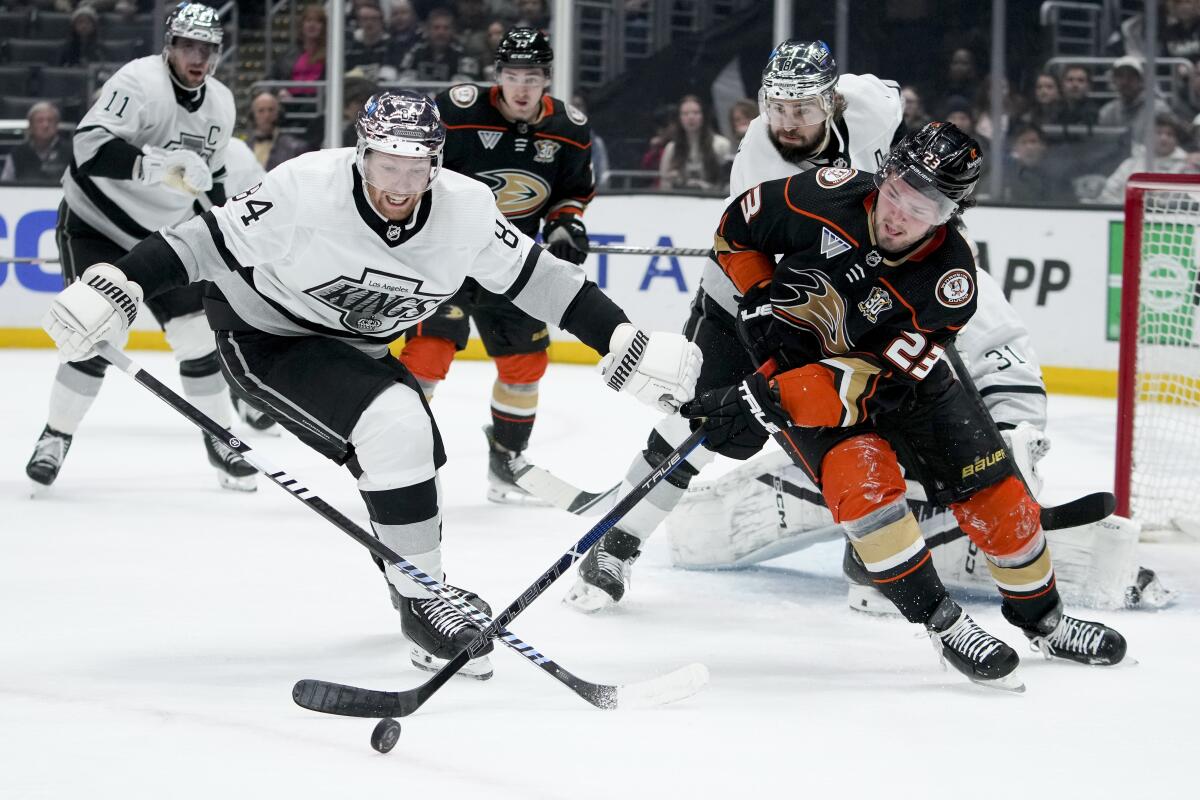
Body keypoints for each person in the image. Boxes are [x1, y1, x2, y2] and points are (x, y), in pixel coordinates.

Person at [38, 89, 701, 680]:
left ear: (437, 164)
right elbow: (200, 242)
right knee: (397, 424)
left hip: (353, 346)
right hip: (268, 335)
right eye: (389, 164)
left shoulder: (466, 210)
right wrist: (119, 285)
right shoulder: (306, 188)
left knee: (410, 444)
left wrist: (620, 337)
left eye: (418, 167)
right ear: (362, 156)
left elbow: (541, 280)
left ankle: (423, 598)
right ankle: (423, 601)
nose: (401, 183)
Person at [679, 123, 1126, 688]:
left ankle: (1046, 620)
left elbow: (865, 383)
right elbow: (735, 229)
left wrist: (770, 398)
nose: (896, 215)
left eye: (921, 207)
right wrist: (759, 295)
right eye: (895, 191)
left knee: (999, 497)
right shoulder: (822, 193)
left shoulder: (951, 281)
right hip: (796, 371)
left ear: (950, 214)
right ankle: (945, 625)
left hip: (895, 385)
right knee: (865, 495)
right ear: (884, 173)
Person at [562, 40, 903, 612]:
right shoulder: (759, 165)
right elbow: (756, 266)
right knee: (696, 423)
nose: (788, 123)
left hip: (832, 302)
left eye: (803, 109)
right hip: (742, 297)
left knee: (861, 421)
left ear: (832, 102)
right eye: (777, 108)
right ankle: (614, 543)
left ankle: (871, 550)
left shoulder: (868, 103)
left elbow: (892, 102)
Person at [24, 2, 255, 492]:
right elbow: (87, 150)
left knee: (197, 336)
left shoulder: (221, 103)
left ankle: (219, 437)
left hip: (164, 238)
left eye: (207, 49)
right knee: (94, 331)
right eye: (188, 46)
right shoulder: (138, 82)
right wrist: (157, 165)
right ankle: (55, 435)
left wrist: (229, 236)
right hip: (96, 224)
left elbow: (210, 182)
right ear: (169, 46)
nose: (197, 57)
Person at [398, 29, 595, 504]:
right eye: (512, 76)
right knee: (427, 358)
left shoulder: (569, 127)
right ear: (497, 76)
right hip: (447, 256)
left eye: (532, 77)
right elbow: (414, 165)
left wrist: (566, 224)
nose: (521, 88)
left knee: (525, 364)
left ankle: (507, 460)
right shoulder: (457, 110)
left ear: (547, 78)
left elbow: (571, 190)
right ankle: (400, 456)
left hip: (513, 260)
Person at [1098, 112, 1197, 202]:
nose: (1163, 138)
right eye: (1158, 133)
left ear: (1177, 140)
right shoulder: (1131, 164)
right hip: (1126, 218)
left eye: (1169, 134)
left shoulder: (1186, 167)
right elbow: (1108, 193)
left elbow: (1191, 200)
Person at [658, 94, 732, 192]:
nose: (691, 117)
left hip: (713, 202)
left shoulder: (722, 145)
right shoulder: (671, 148)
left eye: (696, 113)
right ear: (679, 118)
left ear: (703, 116)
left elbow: (728, 184)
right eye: (685, 113)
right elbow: (664, 186)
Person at [397, 7, 480, 84]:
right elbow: (403, 81)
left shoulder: (465, 55)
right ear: (428, 30)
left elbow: (466, 86)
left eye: (446, 28)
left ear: (453, 31)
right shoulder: (415, 51)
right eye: (436, 28)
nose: (441, 32)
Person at [0, 102, 72, 185]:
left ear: (57, 125)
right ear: (31, 126)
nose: (46, 125)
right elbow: (5, 186)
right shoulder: (17, 153)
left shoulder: (72, 152)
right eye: (40, 121)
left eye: (50, 120)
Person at [1098, 56, 1170, 131]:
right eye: (1120, 76)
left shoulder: (1158, 109)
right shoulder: (1107, 113)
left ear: (1141, 81)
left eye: (1131, 76)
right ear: (1114, 81)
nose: (1125, 81)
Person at [246, 90, 309, 171]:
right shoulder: (244, 148)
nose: (267, 115)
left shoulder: (294, 148)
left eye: (271, 110)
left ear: (279, 113)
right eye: (261, 110)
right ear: (253, 116)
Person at [274, 3, 326, 96]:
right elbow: (271, 78)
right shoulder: (288, 53)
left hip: (318, 103)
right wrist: (280, 90)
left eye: (317, 21)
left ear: (323, 27)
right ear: (302, 25)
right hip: (290, 101)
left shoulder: (331, 55)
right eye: (308, 20)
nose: (312, 25)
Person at [345, 2, 402, 81]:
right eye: (365, 19)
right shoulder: (351, 46)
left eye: (374, 19)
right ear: (358, 22)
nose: (369, 23)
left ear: (382, 21)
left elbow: (390, 75)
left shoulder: (392, 45)